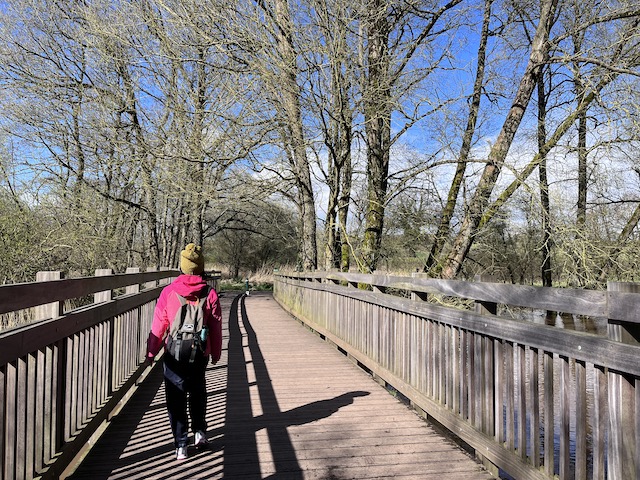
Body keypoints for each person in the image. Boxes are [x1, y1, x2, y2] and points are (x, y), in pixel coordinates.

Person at [145, 243, 222, 460]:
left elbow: (158, 325)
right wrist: (215, 352)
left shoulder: (169, 292)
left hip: (174, 354)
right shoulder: (210, 293)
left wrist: (152, 352)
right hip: (199, 353)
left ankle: (181, 445)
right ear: (201, 267)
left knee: (175, 397)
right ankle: (199, 432)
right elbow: (215, 328)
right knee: (197, 391)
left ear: (182, 266)